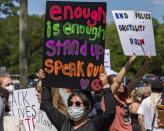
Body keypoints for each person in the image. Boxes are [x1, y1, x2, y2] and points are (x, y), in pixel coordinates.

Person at [41, 72, 116, 131]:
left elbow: (110, 113)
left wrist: (106, 86)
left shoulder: (94, 125)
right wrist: (45, 81)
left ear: (87, 107)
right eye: (70, 103)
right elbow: (47, 104)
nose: (73, 106)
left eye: (77, 104)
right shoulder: (64, 123)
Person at [102, 52, 151, 131]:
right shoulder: (108, 97)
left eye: (122, 83)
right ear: (111, 86)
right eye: (119, 84)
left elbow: (138, 78)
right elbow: (118, 80)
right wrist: (129, 62)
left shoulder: (123, 94)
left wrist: (147, 62)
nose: (122, 84)